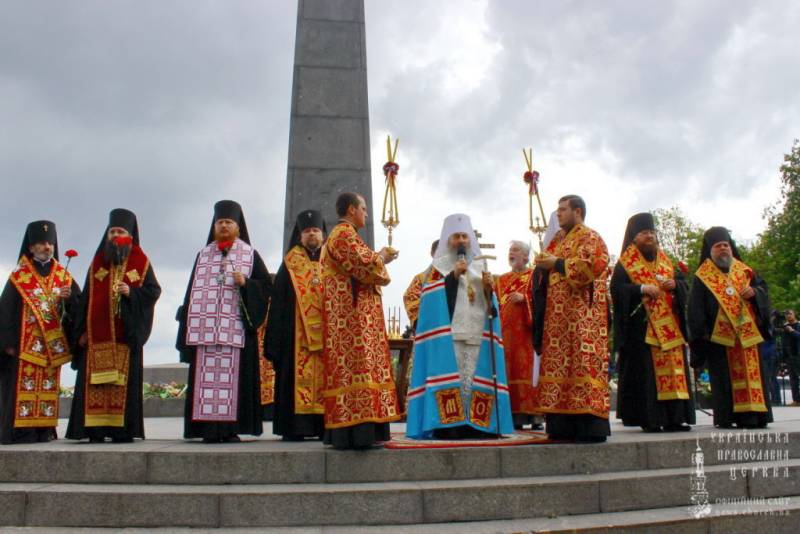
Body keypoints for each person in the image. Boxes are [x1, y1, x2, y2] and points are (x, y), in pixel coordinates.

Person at [406, 213, 513, 439]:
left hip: (477, 333)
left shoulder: (481, 265)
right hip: (449, 336)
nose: (461, 241)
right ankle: (449, 426)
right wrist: (452, 277)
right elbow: (428, 299)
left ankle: (478, 425)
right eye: (456, 236)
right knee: (452, 379)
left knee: (474, 378)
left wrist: (488, 289)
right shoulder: (437, 268)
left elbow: (492, 307)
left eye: (465, 236)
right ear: (448, 240)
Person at [176, 200, 271, 443]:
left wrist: (246, 284)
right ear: (214, 226)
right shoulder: (203, 254)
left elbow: (266, 287)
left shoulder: (249, 254)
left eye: (229, 222)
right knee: (204, 380)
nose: (224, 226)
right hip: (205, 333)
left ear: (238, 228)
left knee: (233, 382)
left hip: (235, 331)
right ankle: (206, 429)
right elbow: (190, 292)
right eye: (220, 222)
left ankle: (230, 430)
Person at [67, 209, 161, 442]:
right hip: (96, 339)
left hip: (125, 339)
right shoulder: (98, 261)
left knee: (121, 387)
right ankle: (95, 432)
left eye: (121, 231)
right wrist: (81, 331)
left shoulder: (141, 261)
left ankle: (121, 431)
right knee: (95, 387)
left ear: (130, 236)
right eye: (113, 231)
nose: (116, 235)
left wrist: (132, 293)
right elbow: (86, 298)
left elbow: (153, 292)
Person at [320, 192, 400, 449]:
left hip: (355, 318)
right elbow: (365, 267)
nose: (366, 213)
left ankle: (367, 430)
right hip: (351, 322)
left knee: (362, 370)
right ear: (352, 209)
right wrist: (382, 259)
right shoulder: (343, 234)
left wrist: (376, 257)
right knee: (356, 370)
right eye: (363, 208)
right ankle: (356, 433)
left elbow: (360, 262)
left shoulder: (347, 235)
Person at [533, 195, 611, 443]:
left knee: (581, 365)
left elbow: (590, 267)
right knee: (558, 366)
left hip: (582, 320)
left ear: (578, 211)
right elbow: (544, 273)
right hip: (556, 321)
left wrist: (555, 263)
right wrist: (541, 266)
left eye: (563, 210)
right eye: (557, 210)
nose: (558, 214)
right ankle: (561, 425)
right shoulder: (557, 240)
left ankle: (588, 428)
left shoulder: (590, 236)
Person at [610, 212, 695, 432]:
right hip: (642, 331)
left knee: (675, 374)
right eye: (644, 233)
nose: (650, 237)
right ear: (634, 238)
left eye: (652, 233)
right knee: (648, 377)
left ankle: (675, 418)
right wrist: (640, 289)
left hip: (670, 328)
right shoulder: (625, 264)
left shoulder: (666, 261)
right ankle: (651, 418)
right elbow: (616, 291)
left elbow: (684, 286)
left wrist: (675, 285)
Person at [0, 221, 80, 444]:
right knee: (21, 389)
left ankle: (43, 430)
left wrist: (70, 298)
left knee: (46, 389)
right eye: (41, 243)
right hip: (23, 345)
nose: (47, 247)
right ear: (31, 247)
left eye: (49, 243)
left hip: (50, 349)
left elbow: (78, 307)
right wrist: (7, 342)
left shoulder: (63, 276)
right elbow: (5, 310)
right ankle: (20, 432)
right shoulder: (19, 276)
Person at [688, 226, 773, 429]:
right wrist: (701, 336)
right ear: (711, 250)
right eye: (718, 246)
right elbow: (696, 309)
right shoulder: (703, 277)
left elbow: (764, 291)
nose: (723, 249)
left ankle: (757, 415)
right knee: (726, 382)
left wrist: (755, 293)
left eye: (726, 245)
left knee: (754, 377)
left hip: (748, 336)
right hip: (721, 339)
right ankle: (729, 417)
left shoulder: (745, 270)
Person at [266, 209, 327, 441]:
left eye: (315, 230)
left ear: (322, 235)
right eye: (307, 231)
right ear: (300, 236)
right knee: (292, 379)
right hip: (295, 337)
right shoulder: (290, 263)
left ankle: (324, 427)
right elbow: (278, 303)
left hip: (327, 336)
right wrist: (276, 340)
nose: (312, 234)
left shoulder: (331, 261)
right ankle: (295, 428)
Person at [495, 240, 542, 430]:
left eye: (515, 250)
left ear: (525, 256)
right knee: (509, 371)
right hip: (506, 335)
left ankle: (535, 417)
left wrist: (525, 299)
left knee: (529, 372)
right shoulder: (501, 280)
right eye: (510, 250)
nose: (511, 253)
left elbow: (542, 299)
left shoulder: (534, 276)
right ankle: (514, 416)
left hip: (526, 334)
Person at [402, 239, 438, 329]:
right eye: (439, 252)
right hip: (430, 329)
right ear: (432, 254)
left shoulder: (458, 275)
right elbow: (410, 299)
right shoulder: (420, 279)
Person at [781, 309, 800, 406]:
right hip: (789, 356)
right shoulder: (785, 327)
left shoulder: (798, 325)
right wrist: (783, 358)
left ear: (794, 314)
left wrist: (792, 331)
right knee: (793, 378)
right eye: (786, 314)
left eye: (790, 314)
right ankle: (796, 400)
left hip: (798, 354)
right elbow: (783, 343)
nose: (788, 316)